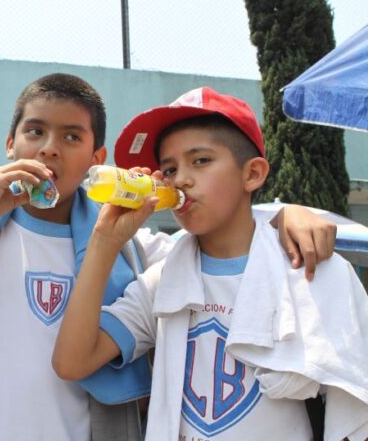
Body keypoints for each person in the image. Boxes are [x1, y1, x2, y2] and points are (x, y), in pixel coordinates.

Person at [0, 74, 336, 441]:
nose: (50, 149)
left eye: (71, 137)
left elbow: (220, 230)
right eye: (35, 133)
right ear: (10, 144)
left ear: (98, 160)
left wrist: (286, 215)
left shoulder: (135, 246)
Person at [53, 87, 368, 440]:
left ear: (252, 174)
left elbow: (351, 402)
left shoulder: (308, 269)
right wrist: (104, 241)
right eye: (168, 169)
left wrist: (288, 211)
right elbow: (72, 362)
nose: (181, 179)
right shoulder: (163, 281)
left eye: (200, 160)